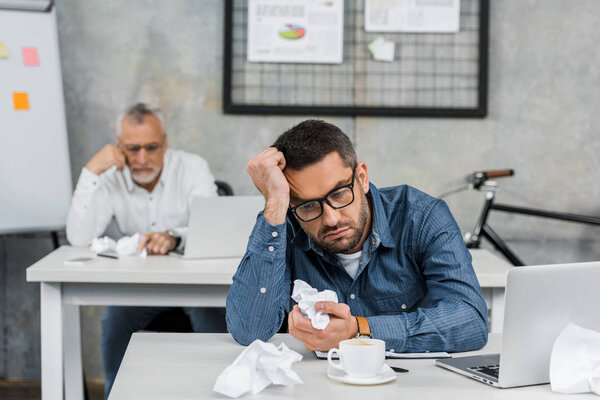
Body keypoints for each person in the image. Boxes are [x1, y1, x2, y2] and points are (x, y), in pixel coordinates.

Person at [226, 119, 488, 353]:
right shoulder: (285, 224)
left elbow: (470, 322)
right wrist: (275, 204)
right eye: (308, 205)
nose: (331, 218)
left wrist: (358, 330)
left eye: (339, 193)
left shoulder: (422, 216)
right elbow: (249, 331)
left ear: (361, 177)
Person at [66, 103, 226, 398]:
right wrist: (91, 171)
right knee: (113, 320)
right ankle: (115, 394)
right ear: (118, 147)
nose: (142, 158)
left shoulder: (193, 168)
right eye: (132, 148)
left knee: (214, 323)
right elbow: (79, 238)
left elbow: (213, 230)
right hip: (139, 287)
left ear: (165, 143)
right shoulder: (111, 177)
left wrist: (174, 237)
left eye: (151, 147)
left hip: (196, 285)